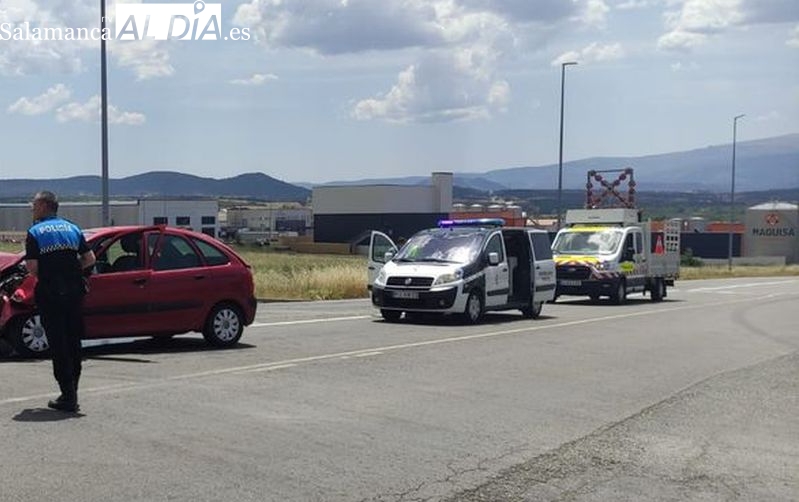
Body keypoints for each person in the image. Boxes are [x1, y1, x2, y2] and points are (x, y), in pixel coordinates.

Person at [25, 191, 95, 413]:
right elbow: (89, 259)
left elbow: (32, 267)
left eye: (34, 204)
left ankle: (68, 395)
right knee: (74, 340)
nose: (32, 208)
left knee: (58, 342)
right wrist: (72, 272)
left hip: (51, 293)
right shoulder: (72, 228)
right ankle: (73, 390)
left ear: (44, 205)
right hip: (74, 292)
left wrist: (52, 276)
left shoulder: (35, 232)